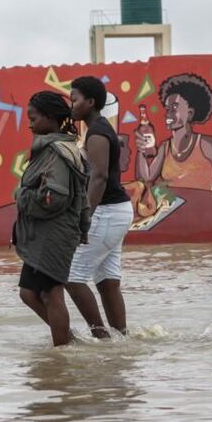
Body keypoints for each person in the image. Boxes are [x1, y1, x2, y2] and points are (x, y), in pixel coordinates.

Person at [13, 91, 91, 346]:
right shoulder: (57, 148)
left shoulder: (56, 153)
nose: (30, 124)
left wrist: (22, 195)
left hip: (54, 234)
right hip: (45, 234)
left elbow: (53, 199)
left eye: (34, 118)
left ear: (49, 118)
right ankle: (68, 340)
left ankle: (62, 354)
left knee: (51, 293)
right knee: (28, 293)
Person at [65, 76, 134, 337]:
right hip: (115, 212)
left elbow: (99, 177)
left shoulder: (97, 132)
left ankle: (101, 336)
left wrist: (84, 217)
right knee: (107, 281)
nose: (71, 105)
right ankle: (121, 340)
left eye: (75, 99)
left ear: (91, 102)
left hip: (106, 211)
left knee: (71, 276)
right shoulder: (99, 128)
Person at [136, 73, 212, 192]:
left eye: (174, 107)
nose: (168, 113)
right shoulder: (165, 148)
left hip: (203, 209)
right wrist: (141, 150)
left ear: (190, 113)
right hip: (171, 209)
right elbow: (147, 178)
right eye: (167, 108)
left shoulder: (208, 145)